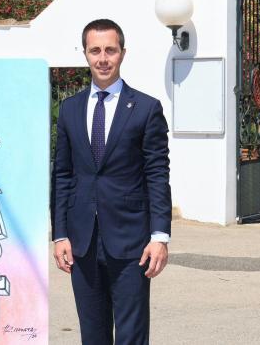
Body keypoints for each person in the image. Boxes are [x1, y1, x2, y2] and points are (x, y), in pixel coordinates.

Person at [52, 19, 172, 345]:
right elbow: (63, 175)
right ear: (85, 54)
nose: (103, 58)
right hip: (83, 242)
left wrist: (160, 236)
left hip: (132, 242)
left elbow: (157, 175)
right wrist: (60, 233)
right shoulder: (70, 109)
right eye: (95, 51)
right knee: (93, 336)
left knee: (131, 336)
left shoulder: (146, 108)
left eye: (110, 50)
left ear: (122, 53)